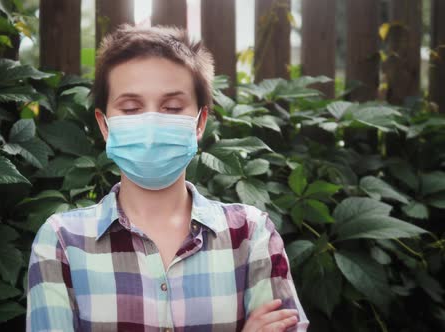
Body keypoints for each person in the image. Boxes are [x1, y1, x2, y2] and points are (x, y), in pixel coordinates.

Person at [27, 23, 309, 332]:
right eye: (131, 108)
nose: (151, 123)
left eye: (172, 107)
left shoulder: (251, 234)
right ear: (104, 125)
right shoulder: (61, 242)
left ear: (200, 122)